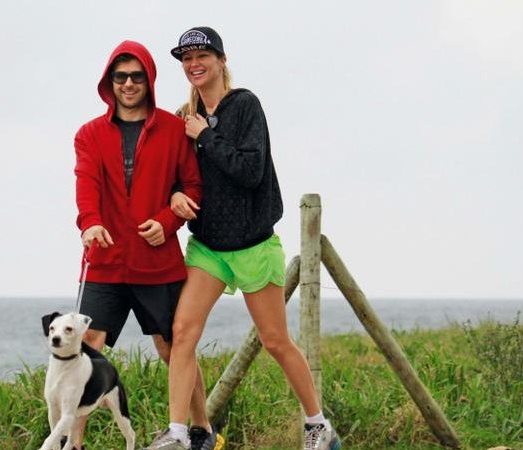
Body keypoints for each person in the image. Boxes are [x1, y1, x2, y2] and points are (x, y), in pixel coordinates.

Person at [142, 27, 341, 450]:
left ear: (221, 59)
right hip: (208, 249)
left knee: (275, 340)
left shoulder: (244, 105)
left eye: (202, 56)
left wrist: (206, 136)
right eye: (186, 58)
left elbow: (251, 171)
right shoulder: (182, 118)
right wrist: (175, 194)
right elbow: (177, 180)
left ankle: (317, 424)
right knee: (182, 334)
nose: (194, 64)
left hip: (253, 244)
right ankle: (180, 433)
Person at [72, 39, 213, 450]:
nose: (128, 84)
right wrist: (90, 224)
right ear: (109, 82)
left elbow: (193, 187)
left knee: (173, 348)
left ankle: (202, 431)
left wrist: (168, 222)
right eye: (120, 77)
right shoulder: (89, 134)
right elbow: (87, 185)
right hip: (105, 260)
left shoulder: (174, 129)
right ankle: (73, 444)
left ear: (148, 80)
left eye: (136, 76)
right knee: (86, 352)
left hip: (157, 263)